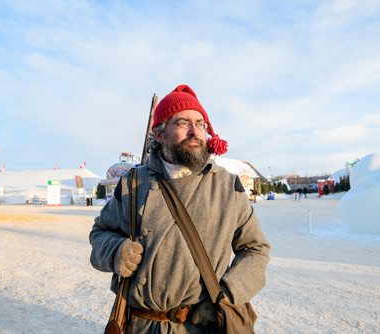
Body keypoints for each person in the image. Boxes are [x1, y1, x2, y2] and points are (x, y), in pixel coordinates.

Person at [89, 84, 270, 333]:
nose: (195, 131)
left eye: (201, 124)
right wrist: (116, 251)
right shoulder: (133, 184)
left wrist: (226, 294)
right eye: (183, 123)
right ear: (160, 134)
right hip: (140, 325)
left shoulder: (228, 186)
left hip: (202, 326)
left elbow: (255, 249)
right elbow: (100, 233)